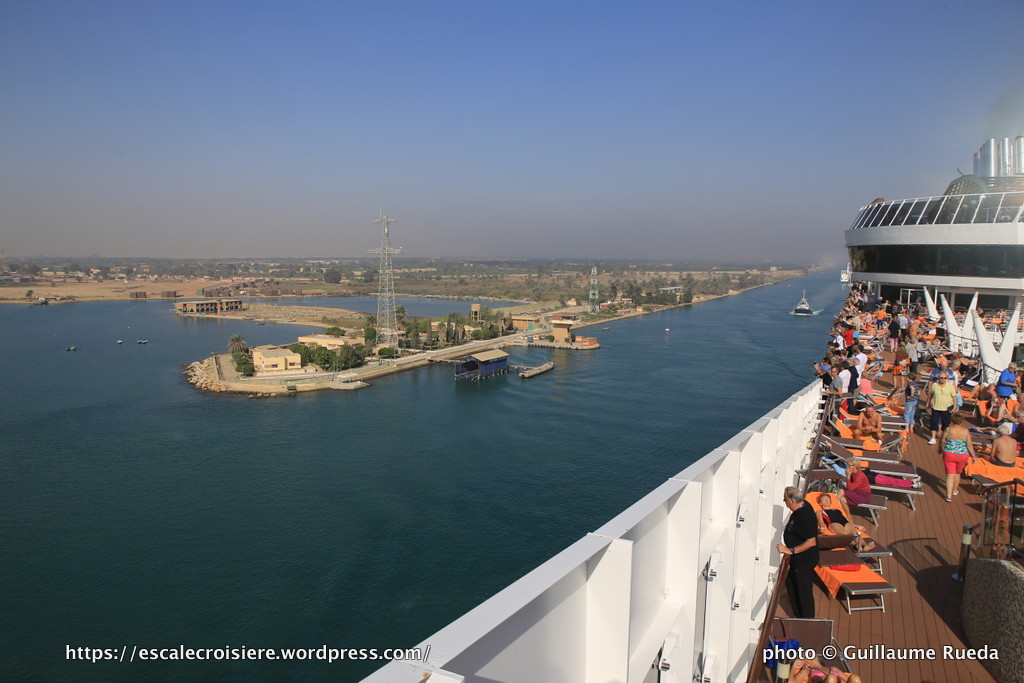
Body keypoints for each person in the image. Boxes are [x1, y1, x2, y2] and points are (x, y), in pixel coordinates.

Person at [776, 487, 819, 619]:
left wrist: (790, 550)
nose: (784, 501)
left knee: (803, 592)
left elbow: (811, 542)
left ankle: (807, 622)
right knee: (791, 583)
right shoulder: (804, 507)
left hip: (803, 560)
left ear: (792, 500)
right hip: (800, 560)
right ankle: (800, 617)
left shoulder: (803, 516)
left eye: (785, 499)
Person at [940, 413, 976, 502]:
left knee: (950, 474)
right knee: (957, 472)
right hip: (962, 455)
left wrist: (940, 449)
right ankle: (955, 490)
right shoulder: (966, 431)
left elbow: (942, 441)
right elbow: (969, 445)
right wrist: (973, 456)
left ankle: (948, 496)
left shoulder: (948, 429)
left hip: (949, 453)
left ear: (952, 420)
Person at [925, 374, 956, 445]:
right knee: (934, 423)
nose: (943, 379)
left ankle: (944, 437)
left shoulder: (950, 386)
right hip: (936, 407)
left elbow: (954, 397)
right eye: (941, 378)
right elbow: (931, 395)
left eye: (945, 378)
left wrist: (954, 406)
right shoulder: (934, 385)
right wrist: (928, 403)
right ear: (938, 378)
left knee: (946, 424)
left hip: (946, 408)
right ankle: (933, 438)